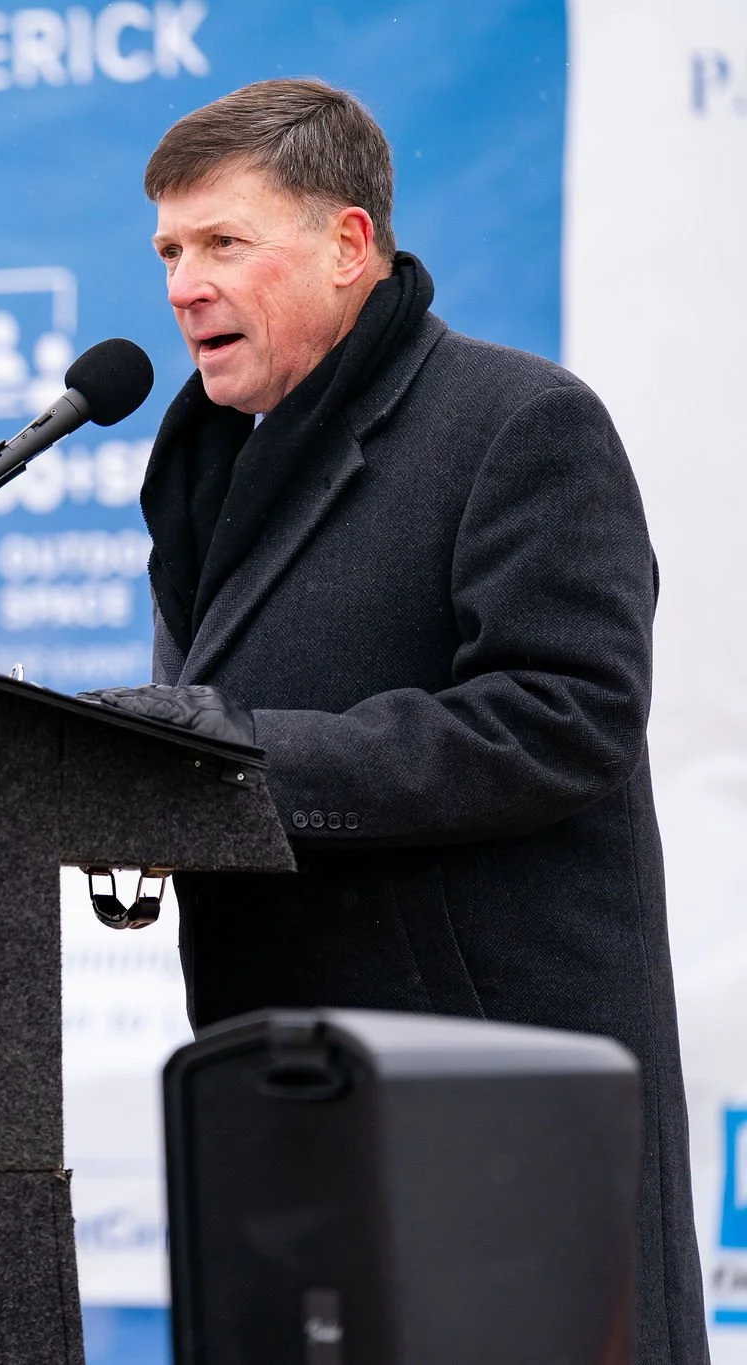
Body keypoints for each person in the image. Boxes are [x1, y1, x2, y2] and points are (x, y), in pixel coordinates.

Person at [86, 78, 707, 1363]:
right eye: (166, 251)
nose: (180, 286)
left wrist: (226, 760)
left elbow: (564, 719)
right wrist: (129, 792)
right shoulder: (202, 458)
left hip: (489, 1103)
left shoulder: (515, 424)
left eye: (221, 245)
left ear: (346, 246)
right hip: (280, 1078)